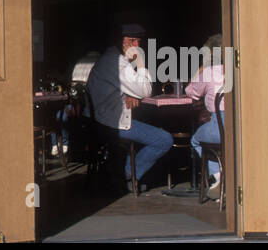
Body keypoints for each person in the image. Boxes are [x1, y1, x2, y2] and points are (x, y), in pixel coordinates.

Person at [85, 23, 172, 191]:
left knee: (147, 129)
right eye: (132, 40)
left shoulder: (113, 59)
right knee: (164, 139)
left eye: (139, 41)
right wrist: (140, 63)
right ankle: (126, 174)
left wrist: (132, 93)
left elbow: (133, 89)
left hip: (100, 120)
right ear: (120, 42)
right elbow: (145, 90)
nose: (137, 46)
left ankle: (124, 174)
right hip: (108, 124)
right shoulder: (117, 63)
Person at [186, 33, 226, 196]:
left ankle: (218, 177)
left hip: (219, 127)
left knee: (196, 140)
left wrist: (202, 68)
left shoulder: (209, 72)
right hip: (242, 127)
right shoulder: (239, 69)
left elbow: (191, 92)